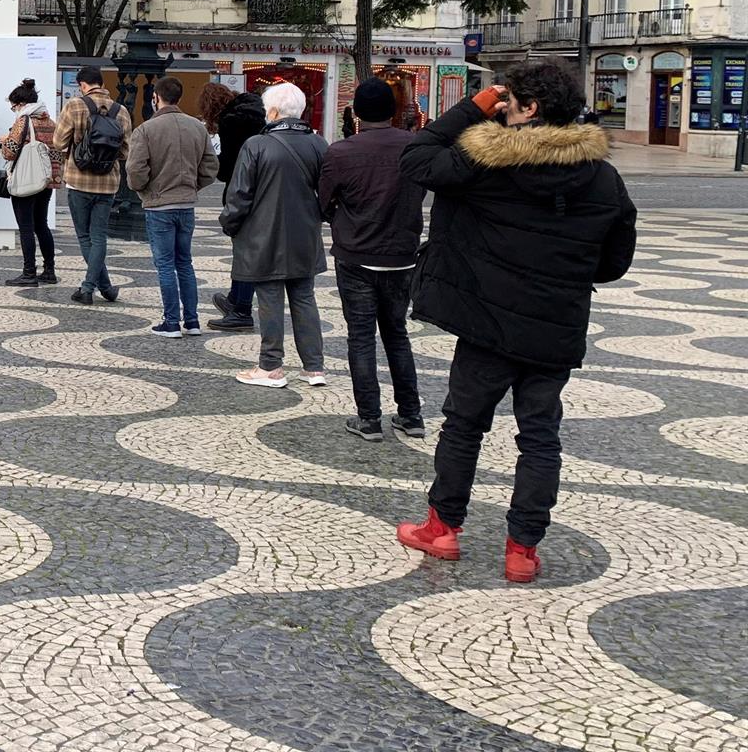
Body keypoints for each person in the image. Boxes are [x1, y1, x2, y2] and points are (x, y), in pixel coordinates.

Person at [395, 62, 636, 585]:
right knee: (540, 437)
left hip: (487, 322)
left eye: (509, 102)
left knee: (464, 426)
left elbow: (416, 157)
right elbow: (615, 262)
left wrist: (472, 107)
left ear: (530, 109)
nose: (502, 109)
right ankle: (522, 550)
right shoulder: (603, 177)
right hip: (555, 325)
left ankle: (443, 528)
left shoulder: (486, 162)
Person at [319, 78, 426, 440]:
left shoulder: (341, 152)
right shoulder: (414, 146)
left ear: (357, 113)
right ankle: (411, 415)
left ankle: (369, 419)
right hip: (402, 254)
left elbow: (323, 202)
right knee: (397, 334)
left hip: (357, 254)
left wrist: (341, 217)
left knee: (361, 337)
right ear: (393, 111)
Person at [222, 81, 328, 382]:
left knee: (269, 298)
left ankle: (270, 366)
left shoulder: (256, 145)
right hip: (305, 235)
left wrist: (229, 223)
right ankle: (314, 367)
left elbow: (239, 195)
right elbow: (329, 193)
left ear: (272, 111)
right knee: (304, 297)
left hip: (263, 236)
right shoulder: (319, 145)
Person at [126, 75, 220, 336]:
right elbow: (210, 166)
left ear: (155, 97)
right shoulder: (197, 127)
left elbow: (135, 170)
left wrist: (144, 189)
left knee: (165, 264)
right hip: (186, 204)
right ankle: (192, 321)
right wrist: (193, 186)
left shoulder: (146, 130)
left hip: (159, 205)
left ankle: (171, 322)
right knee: (185, 263)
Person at [53, 65, 133, 306]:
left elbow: (58, 142)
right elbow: (126, 151)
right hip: (108, 183)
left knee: (84, 236)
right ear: (102, 83)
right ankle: (106, 288)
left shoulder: (75, 105)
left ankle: (88, 288)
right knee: (99, 237)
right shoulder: (121, 110)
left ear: (82, 85)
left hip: (78, 181)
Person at [205, 83, 266, 331]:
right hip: (265, 189)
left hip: (243, 191)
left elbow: (229, 166)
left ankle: (241, 310)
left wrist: (212, 162)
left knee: (244, 253)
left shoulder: (231, 121)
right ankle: (234, 299)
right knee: (246, 250)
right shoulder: (257, 110)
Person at [0, 78, 62, 288]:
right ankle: (49, 271)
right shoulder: (50, 122)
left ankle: (29, 273)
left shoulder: (23, 121)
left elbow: (10, 153)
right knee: (41, 225)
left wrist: (4, 140)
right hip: (47, 181)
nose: (14, 110)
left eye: (13, 106)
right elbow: (58, 153)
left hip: (26, 181)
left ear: (21, 104)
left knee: (25, 227)